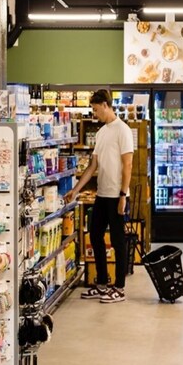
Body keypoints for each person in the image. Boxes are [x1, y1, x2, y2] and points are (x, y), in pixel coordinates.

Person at [66, 89, 134, 304]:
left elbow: (128, 164)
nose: (94, 114)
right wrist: (76, 189)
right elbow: (93, 166)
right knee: (95, 235)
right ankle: (102, 283)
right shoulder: (102, 132)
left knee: (117, 240)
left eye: (96, 110)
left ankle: (119, 288)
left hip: (117, 195)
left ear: (105, 105)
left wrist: (123, 195)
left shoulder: (123, 130)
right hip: (102, 194)